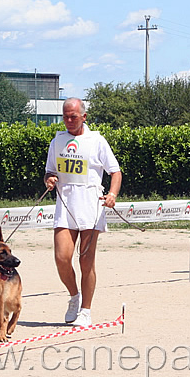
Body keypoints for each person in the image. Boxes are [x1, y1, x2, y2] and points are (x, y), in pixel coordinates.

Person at [44, 97, 122, 327]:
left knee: (86, 262)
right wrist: (50, 179)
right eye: (65, 116)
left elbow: (115, 172)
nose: (69, 121)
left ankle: (86, 310)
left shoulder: (96, 140)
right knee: (61, 258)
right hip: (65, 205)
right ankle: (74, 296)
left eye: (73, 117)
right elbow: (50, 170)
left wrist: (112, 195)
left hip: (91, 206)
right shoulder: (57, 141)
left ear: (84, 117)